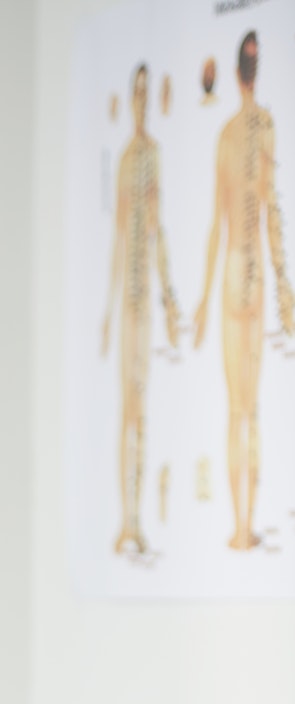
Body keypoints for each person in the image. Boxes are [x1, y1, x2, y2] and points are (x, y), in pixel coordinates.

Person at [192, 31, 295, 552]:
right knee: (250, 408)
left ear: (235, 75)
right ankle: (245, 523)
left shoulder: (231, 134)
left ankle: (241, 526)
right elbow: (270, 214)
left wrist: (207, 297)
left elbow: (219, 223)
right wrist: (282, 281)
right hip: (251, 271)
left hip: (236, 270)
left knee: (239, 409)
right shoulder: (262, 128)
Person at [101, 63, 180, 555]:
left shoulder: (152, 154)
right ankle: (126, 519)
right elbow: (119, 236)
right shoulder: (128, 158)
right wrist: (109, 311)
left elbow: (157, 228)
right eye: (137, 93)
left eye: (147, 95)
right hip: (128, 305)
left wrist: (169, 297)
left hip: (145, 300)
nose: (141, 102)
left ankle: (137, 519)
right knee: (125, 411)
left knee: (141, 412)